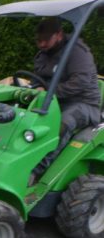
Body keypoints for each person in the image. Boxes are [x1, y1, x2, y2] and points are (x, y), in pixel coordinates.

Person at [29, 17, 101, 185]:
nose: (41, 45)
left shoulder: (77, 52)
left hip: (84, 103)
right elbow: (38, 78)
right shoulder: (43, 54)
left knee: (63, 122)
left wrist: (49, 93)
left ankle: (38, 171)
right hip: (55, 100)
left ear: (59, 34)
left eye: (45, 40)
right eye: (39, 41)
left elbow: (80, 81)